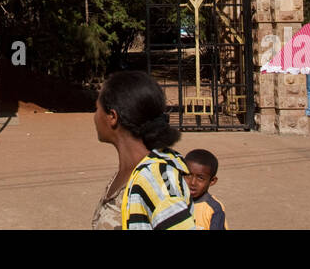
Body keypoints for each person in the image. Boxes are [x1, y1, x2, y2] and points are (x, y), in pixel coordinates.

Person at [92, 70, 195, 230]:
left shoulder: (155, 179)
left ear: (112, 116)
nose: (95, 116)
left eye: (96, 108)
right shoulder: (129, 173)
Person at [184, 148, 227, 230]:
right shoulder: (174, 202)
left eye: (200, 178)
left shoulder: (214, 209)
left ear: (212, 181)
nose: (193, 182)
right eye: (188, 175)